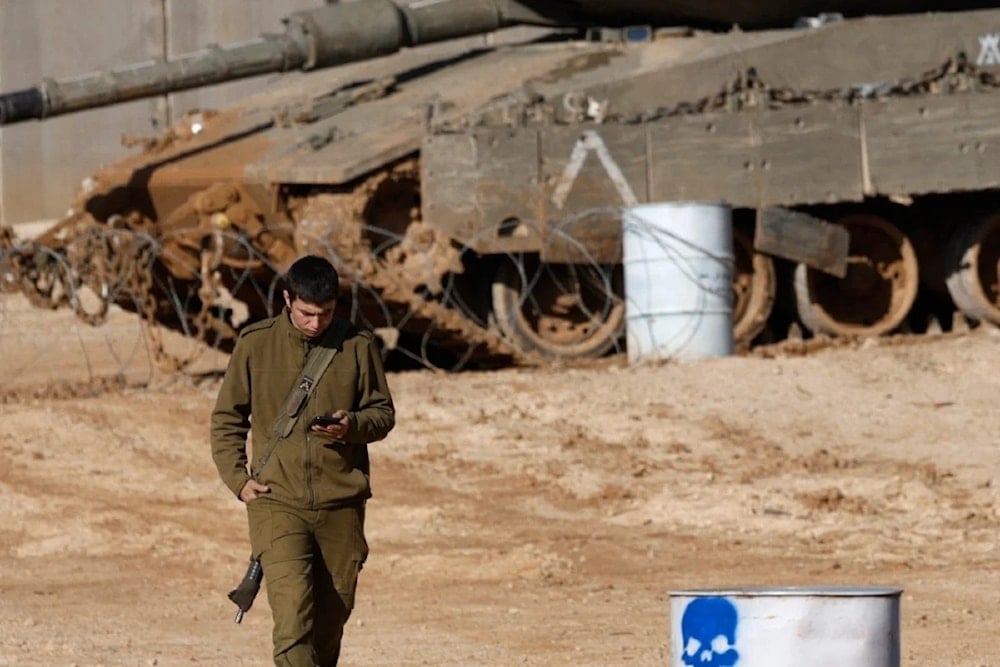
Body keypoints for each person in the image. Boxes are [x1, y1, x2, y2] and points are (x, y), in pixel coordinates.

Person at [211, 254, 395, 666]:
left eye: (325, 313)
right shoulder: (255, 343)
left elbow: (382, 413)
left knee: (330, 624)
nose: (316, 323)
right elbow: (227, 418)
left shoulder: (357, 345)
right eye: (307, 313)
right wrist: (237, 479)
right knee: (293, 620)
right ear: (287, 299)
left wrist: (352, 425)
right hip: (277, 500)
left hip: (340, 503)